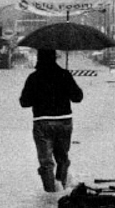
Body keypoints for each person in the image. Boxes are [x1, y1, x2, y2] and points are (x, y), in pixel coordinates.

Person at [19, 49, 84, 193]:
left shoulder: (34, 77)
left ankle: (50, 194)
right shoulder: (64, 75)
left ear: (39, 59)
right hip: (64, 121)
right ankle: (62, 187)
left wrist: (39, 96)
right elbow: (78, 97)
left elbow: (24, 102)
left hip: (42, 122)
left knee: (46, 162)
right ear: (55, 58)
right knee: (62, 158)